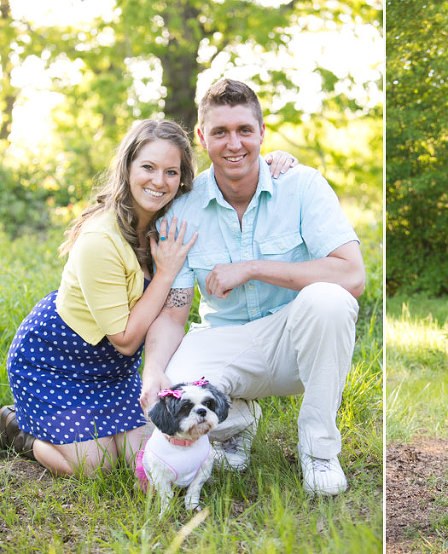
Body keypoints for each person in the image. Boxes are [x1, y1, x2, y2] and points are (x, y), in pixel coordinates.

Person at [0, 119, 297, 476]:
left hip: (111, 370)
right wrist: (167, 272)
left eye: (171, 172)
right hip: (56, 364)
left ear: (182, 180)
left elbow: (223, 180)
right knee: (98, 465)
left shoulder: (170, 218)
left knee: (148, 453)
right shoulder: (100, 240)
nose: (159, 181)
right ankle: (20, 431)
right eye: (148, 167)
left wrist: (269, 162)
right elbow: (125, 341)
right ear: (127, 167)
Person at [138, 78, 365, 497]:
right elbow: (173, 314)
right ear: (202, 138)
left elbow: (353, 276)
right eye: (220, 132)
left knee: (330, 299)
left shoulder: (302, 185)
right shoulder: (183, 209)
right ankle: (234, 425)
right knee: (177, 384)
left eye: (244, 130)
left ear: (262, 133)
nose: (234, 143)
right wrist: (154, 370)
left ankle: (318, 452)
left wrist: (252, 268)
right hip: (226, 341)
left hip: (296, 340)